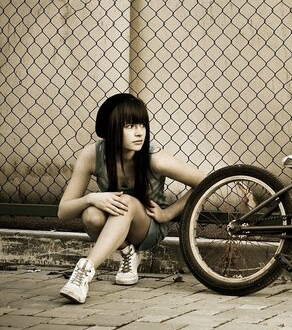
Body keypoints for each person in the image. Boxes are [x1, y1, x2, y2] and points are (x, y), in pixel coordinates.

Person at [57, 93, 204, 304]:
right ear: (112, 129)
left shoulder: (156, 159)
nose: (139, 133)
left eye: (142, 125)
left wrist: (168, 213)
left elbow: (207, 181)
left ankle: (84, 272)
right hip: (113, 222)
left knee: (125, 202)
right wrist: (92, 198)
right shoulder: (93, 155)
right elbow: (63, 211)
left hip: (148, 227)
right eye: (130, 126)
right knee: (90, 214)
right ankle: (127, 253)